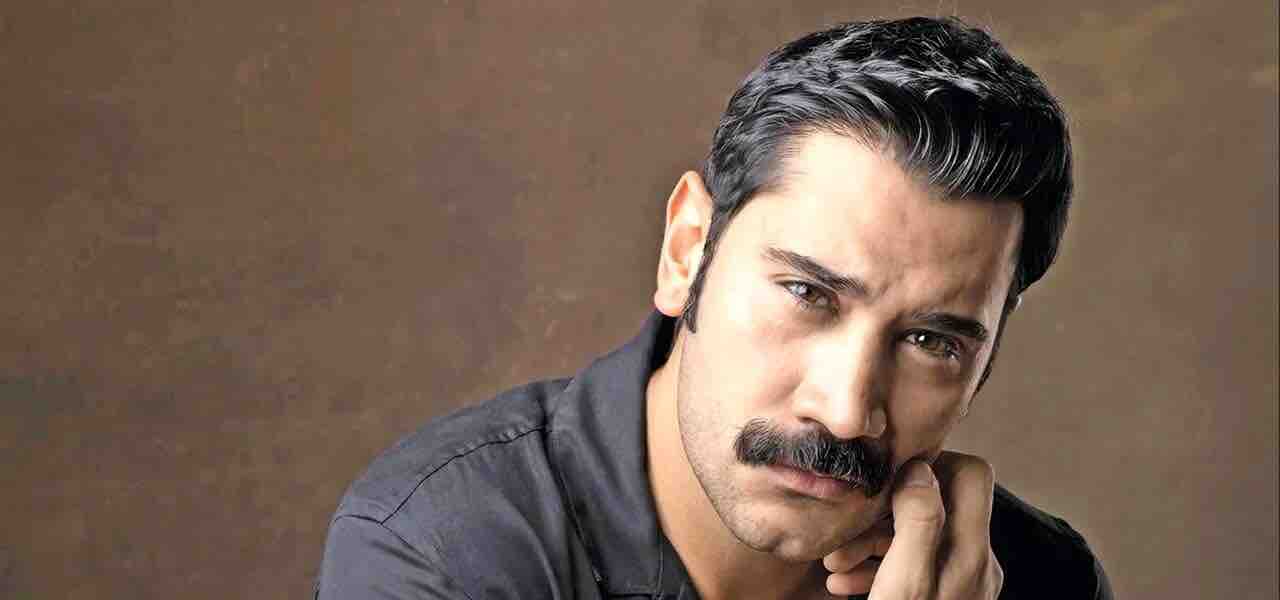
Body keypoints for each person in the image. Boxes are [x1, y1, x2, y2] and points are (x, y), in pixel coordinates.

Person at [315, 16, 1113, 600]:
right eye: (807, 294)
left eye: (932, 341)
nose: (845, 413)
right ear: (686, 251)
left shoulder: (1039, 580)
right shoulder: (443, 549)